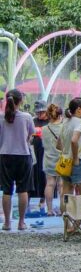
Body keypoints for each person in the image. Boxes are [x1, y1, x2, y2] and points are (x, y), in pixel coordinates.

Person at [0, 91, 35, 231]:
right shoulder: (27, 117)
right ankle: (21, 222)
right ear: (20, 101)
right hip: (23, 155)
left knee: (7, 191)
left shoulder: (1, 118)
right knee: (23, 190)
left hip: (5, 155)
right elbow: (30, 136)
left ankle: (7, 223)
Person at [63, 97, 81, 203]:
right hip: (79, 160)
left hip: (65, 160)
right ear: (79, 109)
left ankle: (66, 218)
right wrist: (75, 158)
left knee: (66, 193)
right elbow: (74, 141)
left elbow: (59, 144)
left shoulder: (66, 122)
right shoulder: (79, 122)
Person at [40, 103, 65, 216]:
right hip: (62, 159)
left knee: (50, 184)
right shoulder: (64, 127)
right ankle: (61, 209)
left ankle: (49, 210)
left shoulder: (44, 129)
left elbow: (43, 144)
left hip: (48, 158)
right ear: (60, 115)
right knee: (61, 185)